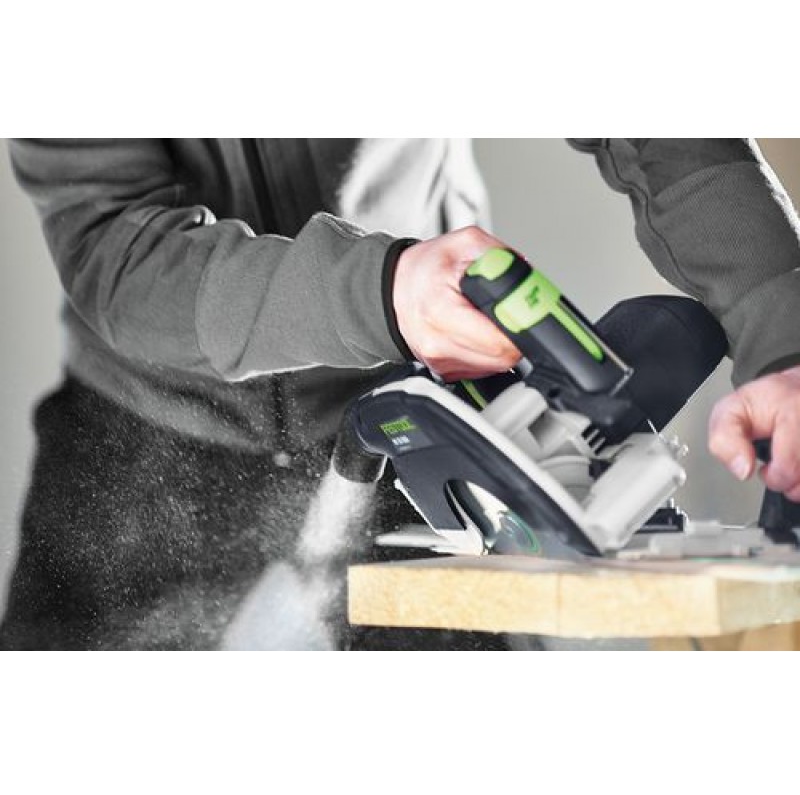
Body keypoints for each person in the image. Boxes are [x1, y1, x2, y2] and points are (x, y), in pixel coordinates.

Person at [2, 138, 800, 651]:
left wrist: (782, 332)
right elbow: (119, 246)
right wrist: (377, 293)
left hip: (419, 416)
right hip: (147, 428)